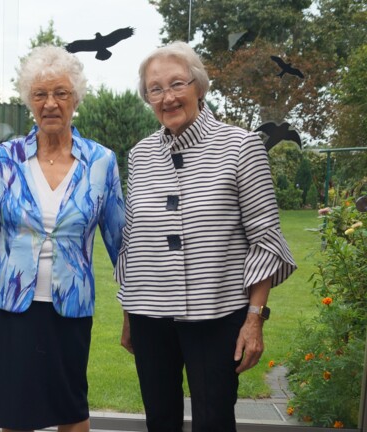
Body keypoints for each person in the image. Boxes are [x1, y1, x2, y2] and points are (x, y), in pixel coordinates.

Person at [115, 41, 297, 432]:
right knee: (159, 419)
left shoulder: (241, 147)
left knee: (214, 419)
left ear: (199, 86)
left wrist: (254, 319)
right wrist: (129, 313)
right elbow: (134, 241)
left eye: (177, 84)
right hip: (149, 315)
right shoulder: (140, 155)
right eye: (155, 89)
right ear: (147, 97)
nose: (167, 97)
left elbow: (265, 240)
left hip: (216, 315)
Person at [0, 45, 125, 432]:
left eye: (61, 93)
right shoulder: (4, 157)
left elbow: (121, 243)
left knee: (71, 412)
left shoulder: (101, 161)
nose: (50, 103)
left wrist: (133, 310)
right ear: (29, 102)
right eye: (40, 94)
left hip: (70, 308)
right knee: (15, 416)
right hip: (10, 307)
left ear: (76, 99)